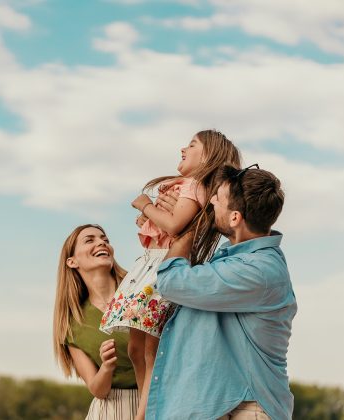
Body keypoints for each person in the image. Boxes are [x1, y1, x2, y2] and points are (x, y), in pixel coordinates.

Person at [100, 130, 241, 419]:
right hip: (149, 264)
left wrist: (146, 206)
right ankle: (144, 406)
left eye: (192, 145)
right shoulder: (183, 185)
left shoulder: (194, 186)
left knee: (150, 348)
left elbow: (175, 225)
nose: (183, 148)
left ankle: (144, 413)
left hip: (161, 268)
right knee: (136, 348)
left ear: (208, 155)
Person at [145, 164, 297, 420]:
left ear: (235, 217)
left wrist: (189, 226)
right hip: (230, 405)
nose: (211, 201)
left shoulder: (257, 271)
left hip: (247, 408)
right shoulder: (235, 260)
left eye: (218, 198)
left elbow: (171, 281)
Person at [53, 224, 139, 419]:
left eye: (105, 240)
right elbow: (97, 389)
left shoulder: (141, 291)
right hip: (112, 409)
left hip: (160, 401)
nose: (101, 242)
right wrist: (107, 367)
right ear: (72, 261)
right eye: (89, 240)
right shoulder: (72, 325)